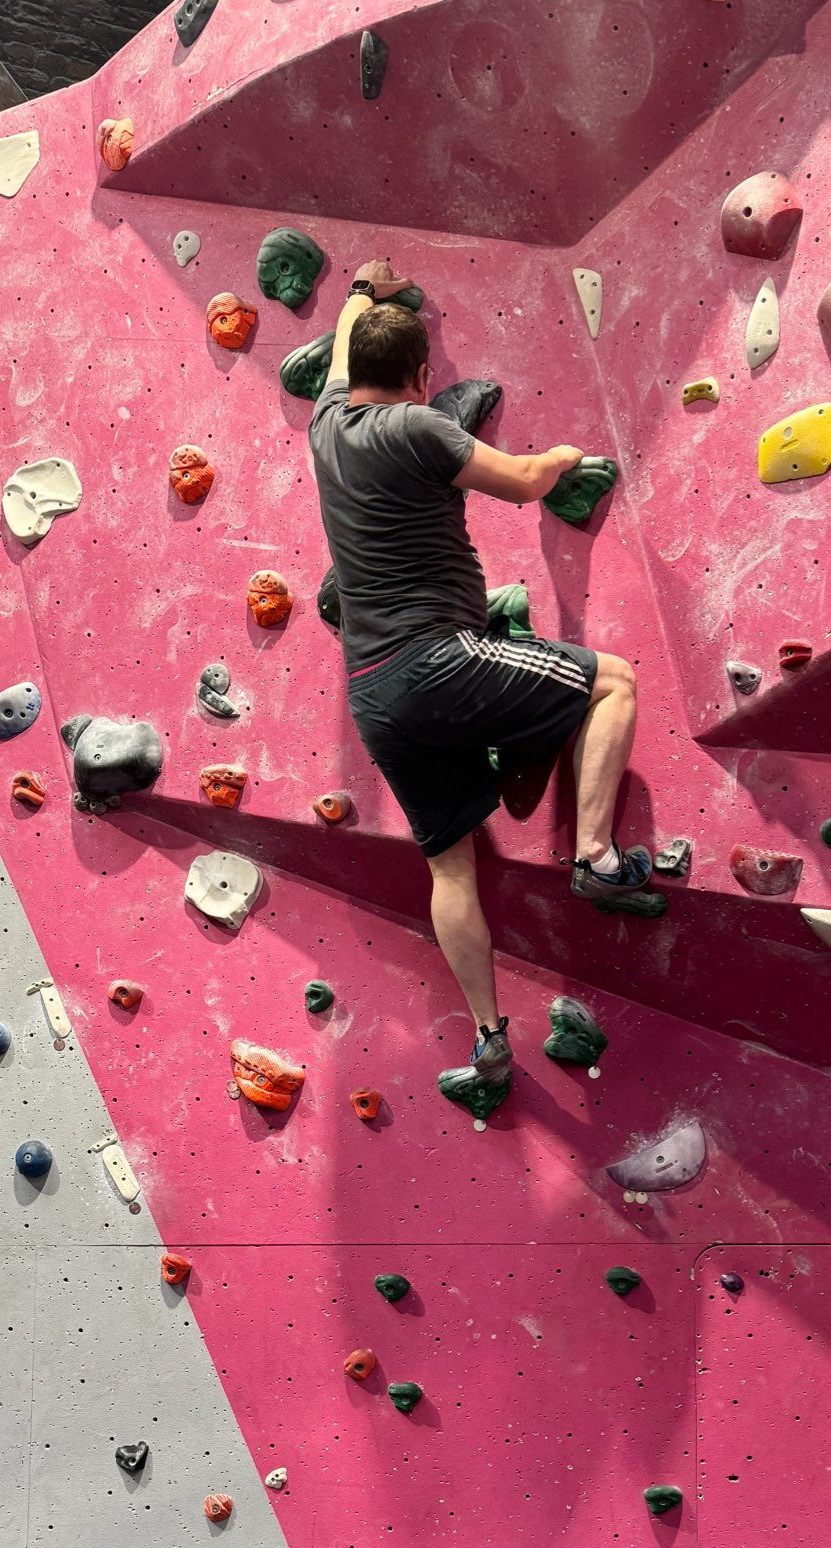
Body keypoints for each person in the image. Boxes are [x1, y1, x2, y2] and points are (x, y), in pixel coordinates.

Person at [308, 260, 654, 1101]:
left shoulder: (325, 424)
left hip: (374, 693)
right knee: (612, 683)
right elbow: (525, 480)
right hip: (436, 660)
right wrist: (565, 452)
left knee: (451, 869)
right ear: (424, 380)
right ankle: (599, 859)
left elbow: (341, 357)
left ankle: (492, 1040)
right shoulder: (421, 430)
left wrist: (360, 291)